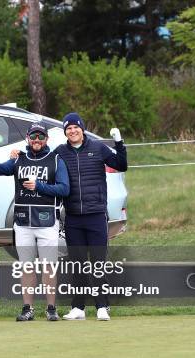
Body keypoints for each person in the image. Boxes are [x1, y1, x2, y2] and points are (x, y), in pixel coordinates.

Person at [0, 123, 69, 321]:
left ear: (46, 139)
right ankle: (28, 308)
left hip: (47, 221)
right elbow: (0, 170)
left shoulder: (56, 160)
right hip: (22, 222)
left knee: (48, 267)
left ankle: (51, 308)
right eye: (33, 137)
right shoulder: (19, 158)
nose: (36, 140)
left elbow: (64, 189)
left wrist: (39, 186)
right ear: (28, 138)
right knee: (26, 267)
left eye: (40, 137)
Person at [55, 112, 128, 321]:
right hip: (73, 217)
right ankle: (78, 308)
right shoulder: (61, 152)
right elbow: (44, 164)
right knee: (77, 263)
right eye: (68, 128)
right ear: (65, 132)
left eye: (75, 127)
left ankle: (102, 306)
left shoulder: (97, 148)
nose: (72, 131)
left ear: (82, 128)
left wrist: (119, 142)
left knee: (98, 262)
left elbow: (121, 164)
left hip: (96, 215)